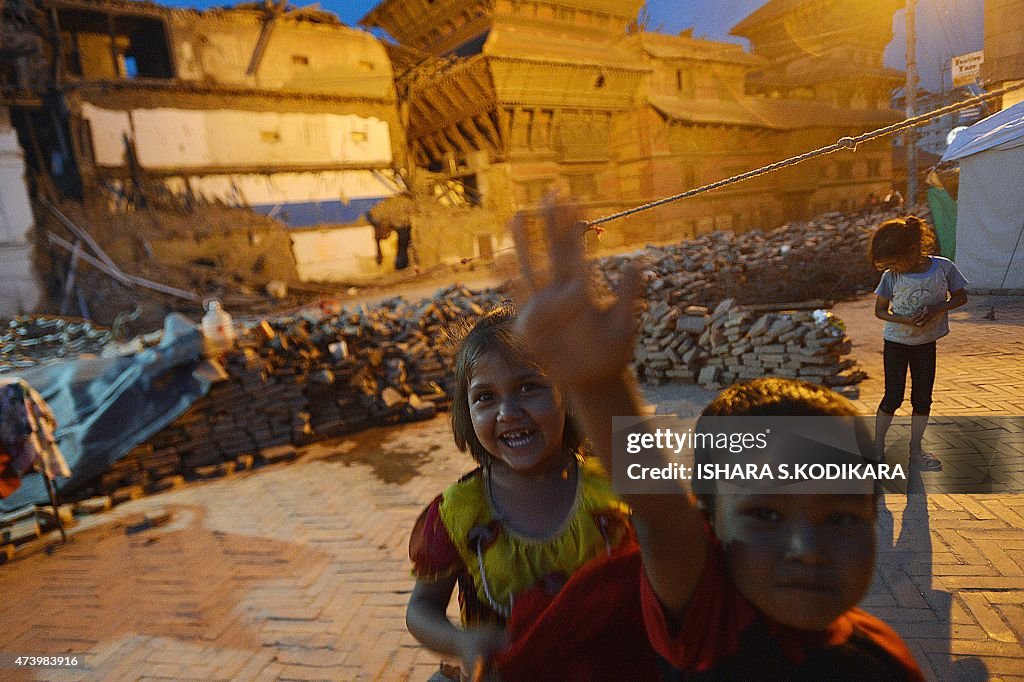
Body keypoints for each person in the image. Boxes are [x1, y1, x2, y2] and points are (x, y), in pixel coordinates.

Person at [510, 194, 925, 680]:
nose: (806, 549)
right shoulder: (709, 617)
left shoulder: (884, 660)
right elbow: (660, 512)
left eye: (841, 518)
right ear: (711, 527)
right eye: (764, 514)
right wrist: (598, 385)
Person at [405, 305, 656, 680]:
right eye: (485, 397)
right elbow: (421, 609)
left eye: (529, 387)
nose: (508, 412)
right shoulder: (458, 513)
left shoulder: (614, 487)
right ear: (466, 412)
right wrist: (462, 642)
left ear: (569, 397)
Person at [869, 216, 968, 472]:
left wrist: (939, 308)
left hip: (926, 343)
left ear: (913, 251)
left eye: (895, 262)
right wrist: (902, 319)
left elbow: (960, 297)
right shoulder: (891, 277)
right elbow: (880, 311)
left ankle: (916, 450)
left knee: (922, 399)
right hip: (896, 343)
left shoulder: (943, 268)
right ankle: (876, 451)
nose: (893, 268)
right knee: (893, 397)